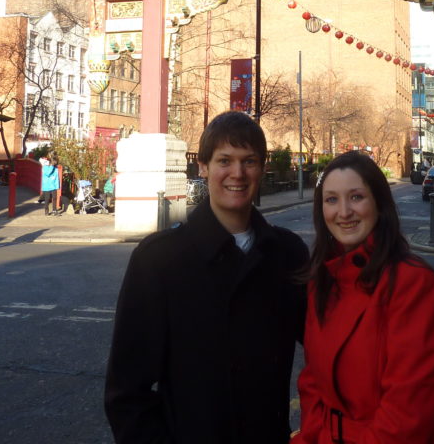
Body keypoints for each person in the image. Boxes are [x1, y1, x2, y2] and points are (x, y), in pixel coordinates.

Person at [104, 111, 309, 444]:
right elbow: (126, 392)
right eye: (224, 160)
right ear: (202, 167)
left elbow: (326, 345)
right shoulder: (159, 259)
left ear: (263, 167)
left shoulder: (287, 253)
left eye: (249, 161)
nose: (237, 174)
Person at [294, 151, 434, 444]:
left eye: (356, 197)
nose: (343, 212)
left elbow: (407, 415)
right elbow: (313, 382)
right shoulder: (322, 279)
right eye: (331, 199)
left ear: (379, 203)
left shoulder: (412, 283)